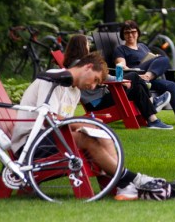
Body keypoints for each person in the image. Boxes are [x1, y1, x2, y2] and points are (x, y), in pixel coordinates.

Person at [9, 51, 163, 200]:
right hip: (30, 143)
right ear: (88, 67)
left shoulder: (75, 91)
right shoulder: (54, 78)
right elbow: (49, 118)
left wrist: (91, 125)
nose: (93, 87)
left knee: (103, 134)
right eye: (95, 79)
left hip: (51, 138)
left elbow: (64, 123)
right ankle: (128, 178)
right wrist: (85, 123)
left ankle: (120, 185)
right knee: (87, 139)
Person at [63, 34, 173, 130]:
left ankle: (152, 120)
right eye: (87, 44)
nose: (88, 47)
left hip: (102, 97)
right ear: (81, 46)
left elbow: (101, 78)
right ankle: (152, 103)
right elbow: (104, 77)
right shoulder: (79, 64)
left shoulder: (75, 63)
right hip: (97, 103)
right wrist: (121, 80)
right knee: (133, 76)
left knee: (137, 88)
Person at [114, 20, 175, 126]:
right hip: (135, 77)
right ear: (122, 35)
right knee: (164, 59)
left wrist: (155, 59)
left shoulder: (143, 47)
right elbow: (121, 65)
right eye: (127, 32)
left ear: (138, 33)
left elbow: (152, 60)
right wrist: (130, 68)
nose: (130, 35)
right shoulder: (120, 49)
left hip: (149, 79)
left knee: (171, 84)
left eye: (133, 31)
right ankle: (146, 78)